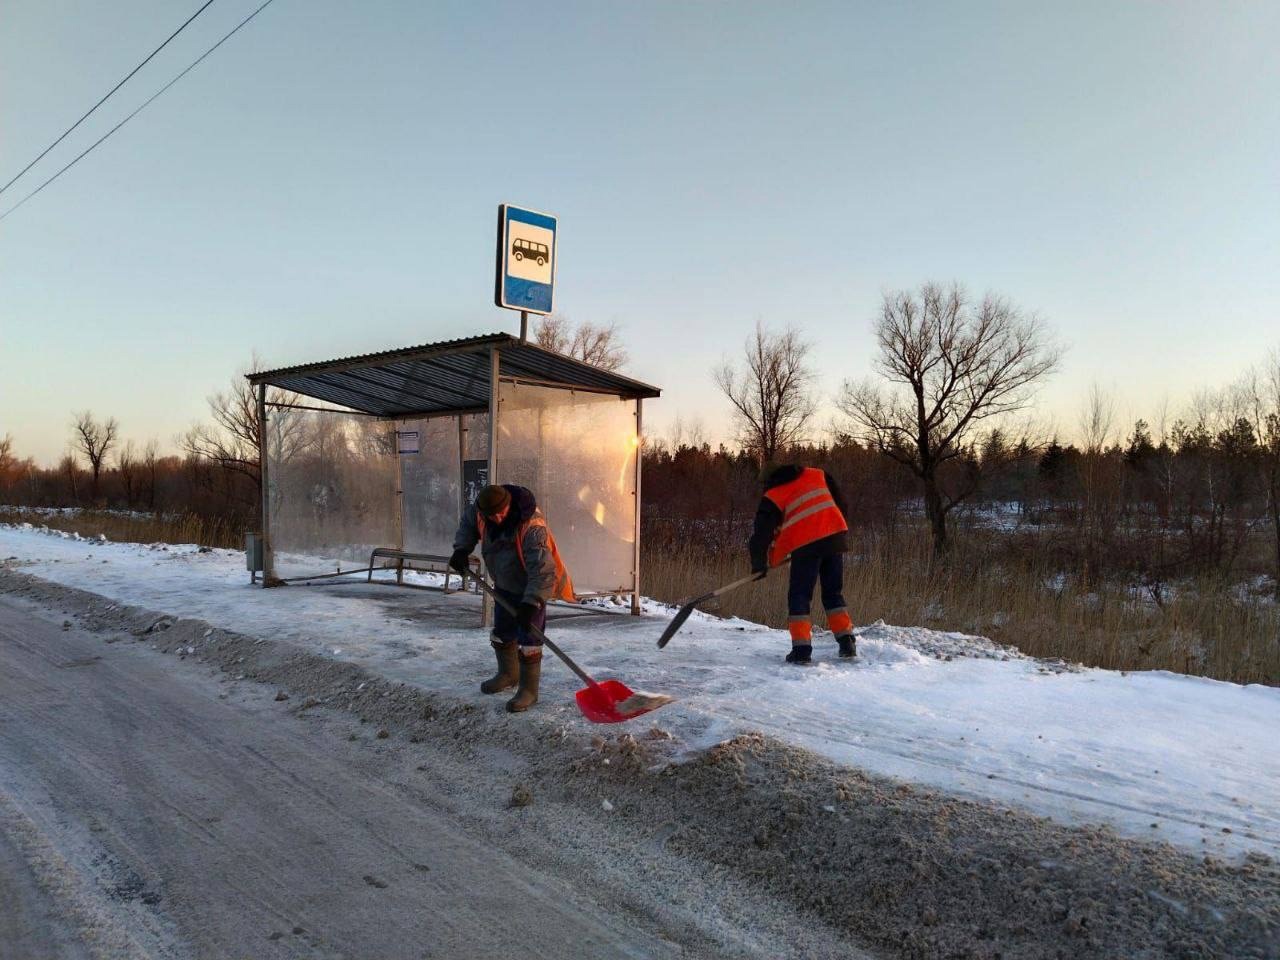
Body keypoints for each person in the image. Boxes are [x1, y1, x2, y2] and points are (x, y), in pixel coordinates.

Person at [449, 484, 574, 712]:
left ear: (509, 505)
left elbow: (544, 570)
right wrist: (461, 550)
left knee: (529, 639)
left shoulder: (532, 527)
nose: (496, 518)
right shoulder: (480, 513)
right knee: (502, 632)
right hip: (505, 584)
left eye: (501, 512)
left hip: (532, 587)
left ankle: (529, 691)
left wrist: (531, 602)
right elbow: (468, 524)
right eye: (490, 515)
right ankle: (508, 673)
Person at [748, 464, 855, 664]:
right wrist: (836, 534)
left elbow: (761, 534)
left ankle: (801, 651)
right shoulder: (818, 475)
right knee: (833, 593)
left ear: (769, 481)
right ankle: (847, 642)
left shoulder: (774, 494)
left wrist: (758, 563)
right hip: (834, 537)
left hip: (806, 545)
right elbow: (841, 504)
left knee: (799, 595)